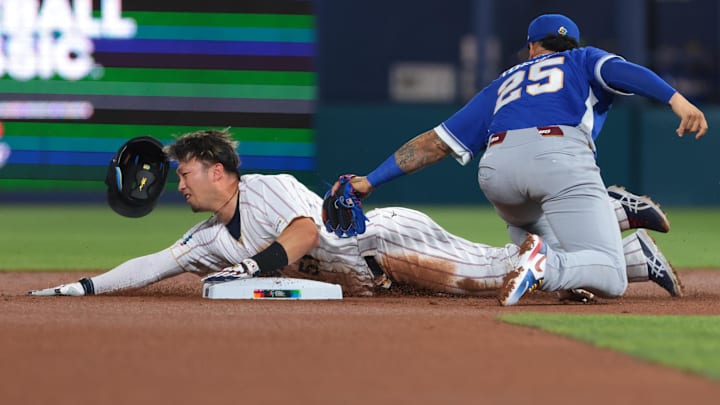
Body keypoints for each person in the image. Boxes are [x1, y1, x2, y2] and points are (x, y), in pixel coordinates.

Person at [28, 129, 675, 300]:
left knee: (507, 273)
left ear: (218, 168)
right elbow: (155, 263)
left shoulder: (265, 188)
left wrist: (251, 268)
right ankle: (618, 245)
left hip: (389, 237)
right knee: (509, 272)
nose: (181, 181)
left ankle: (620, 233)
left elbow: (304, 233)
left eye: (189, 170)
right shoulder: (207, 236)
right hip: (380, 272)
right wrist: (79, 286)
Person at [329, 14, 706, 305]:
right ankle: (558, 259)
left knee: (558, 242)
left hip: (498, 174)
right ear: (570, 44)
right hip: (559, 161)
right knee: (609, 277)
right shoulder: (581, 59)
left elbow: (434, 144)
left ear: (531, 48)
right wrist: (676, 99)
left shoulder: (504, 83)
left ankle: (629, 255)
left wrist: (369, 181)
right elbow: (623, 72)